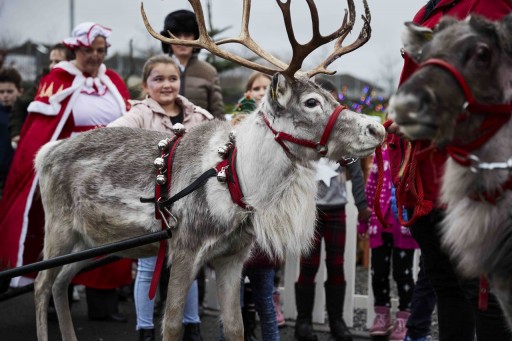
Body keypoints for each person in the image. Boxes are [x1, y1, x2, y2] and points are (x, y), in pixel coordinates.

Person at [386, 1, 512, 340]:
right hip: (425, 176)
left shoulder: (492, 5)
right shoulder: (426, 13)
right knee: (446, 284)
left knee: (485, 295)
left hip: (472, 177)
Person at [0, 22, 133, 321]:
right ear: (75, 49)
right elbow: (40, 132)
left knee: (109, 233)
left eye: (101, 51)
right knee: (62, 235)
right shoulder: (57, 79)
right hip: (68, 172)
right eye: (89, 51)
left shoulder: (113, 80)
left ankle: (104, 304)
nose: (96, 57)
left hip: (110, 171)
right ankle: (50, 301)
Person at [108, 54, 213, 341]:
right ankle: (145, 329)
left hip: (191, 208)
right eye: (158, 79)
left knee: (187, 266)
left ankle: (192, 325)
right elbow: (110, 138)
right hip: (152, 206)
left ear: (180, 81)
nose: (166, 85)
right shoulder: (139, 115)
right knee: (147, 266)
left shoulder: (199, 117)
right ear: (145, 84)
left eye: (172, 78)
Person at [294, 78, 372, 341]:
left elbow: (357, 173)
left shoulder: (343, 141)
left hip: (337, 210)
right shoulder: (304, 138)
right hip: (310, 212)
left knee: (336, 265)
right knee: (308, 265)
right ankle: (303, 323)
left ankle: (337, 320)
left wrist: (362, 206)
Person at [357, 145, 418, 340]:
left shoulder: (413, 151)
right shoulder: (381, 153)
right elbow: (372, 184)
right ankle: (382, 315)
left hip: (403, 225)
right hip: (380, 223)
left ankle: (404, 317)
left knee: (403, 273)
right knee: (379, 272)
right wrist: (363, 222)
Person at [161, 9, 225, 120]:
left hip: (199, 135)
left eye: (187, 34)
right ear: (167, 38)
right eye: (176, 34)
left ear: (196, 37)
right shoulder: (157, 68)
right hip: (161, 135)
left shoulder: (209, 72)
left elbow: (218, 115)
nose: (182, 40)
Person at [9, 43, 73, 150]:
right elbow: (19, 105)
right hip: (41, 144)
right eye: (51, 61)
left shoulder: (77, 83)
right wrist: (16, 133)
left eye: (58, 62)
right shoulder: (42, 82)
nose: (52, 65)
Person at [0, 67, 23, 199]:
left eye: (10, 91)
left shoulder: (26, 115)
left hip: (18, 177)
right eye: (1, 92)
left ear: (20, 91)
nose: (5, 95)